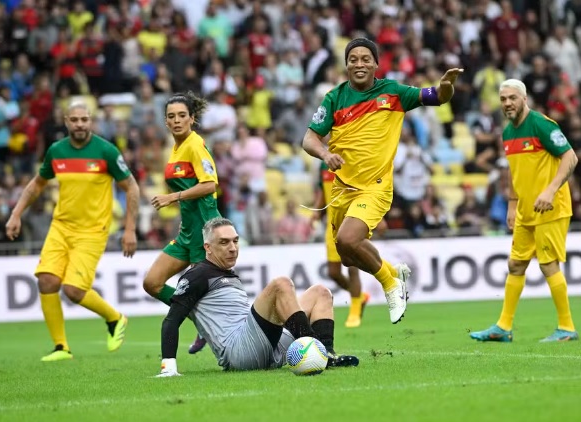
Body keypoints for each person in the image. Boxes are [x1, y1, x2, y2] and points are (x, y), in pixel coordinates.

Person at [302, 37, 463, 324]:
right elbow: (309, 138)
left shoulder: (393, 92)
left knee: (348, 239)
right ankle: (393, 271)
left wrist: (446, 85)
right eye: (353, 59)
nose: (360, 63)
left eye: (366, 58)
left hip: (375, 187)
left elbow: (436, 96)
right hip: (342, 190)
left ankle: (391, 285)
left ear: (376, 64)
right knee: (348, 256)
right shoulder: (334, 97)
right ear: (346, 65)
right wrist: (326, 154)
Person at [5, 101, 140, 361]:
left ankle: (115, 318)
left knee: (74, 290)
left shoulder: (106, 151)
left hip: (92, 230)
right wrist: (16, 213)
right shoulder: (57, 151)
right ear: (66, 121)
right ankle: (61, 347)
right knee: (46, 280)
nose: (80, 124)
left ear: (91, 121)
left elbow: (131, 187)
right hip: (61, 226)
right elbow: (37, 184)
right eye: (75, 120)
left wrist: (130, 229)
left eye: (84, 119)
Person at [156, 217, 359, 377]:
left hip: (262, 346)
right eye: (224, 242)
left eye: (235, 241)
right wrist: (168, 367)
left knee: (320, 292)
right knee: (281, 285)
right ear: (208, 247)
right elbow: (172, 320)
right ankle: (316, 350)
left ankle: (327, 354)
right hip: (239, 352)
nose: (233, 248)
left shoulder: (226, 272)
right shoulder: (197, 275)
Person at [470, 79, 579, 343]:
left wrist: (550, 190)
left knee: (548, 264)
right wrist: (512, 203)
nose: (507, 103)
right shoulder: (508, 133)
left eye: (512, 98)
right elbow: (515, 170)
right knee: (516, 264)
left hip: (551, 208)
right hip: (526, 210)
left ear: (524, 98)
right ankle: (502, 327)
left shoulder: (542, 125)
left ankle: (567, 328)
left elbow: (571, 157)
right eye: (503, 99)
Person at [143, 91, 221, 354]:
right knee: (152, 282)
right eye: (171, 116)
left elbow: (209, 185)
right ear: (166, 121)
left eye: (181, 116)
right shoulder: (176, 147)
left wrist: (172, 197)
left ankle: (212, 331)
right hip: (187, 231)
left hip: (204, 230)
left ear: (192, 119)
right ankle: (199, 322)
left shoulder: (195, 145)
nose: (176, 120)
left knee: (205, 292)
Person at [310, 160, 369, 328]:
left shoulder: (351, 157)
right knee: (333, 272)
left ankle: (355, 310)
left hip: (351, 220)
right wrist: (316, 211)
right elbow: (324, 190)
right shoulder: (323, 164)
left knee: (352, 267)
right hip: (331, 224)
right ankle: (360, 296)